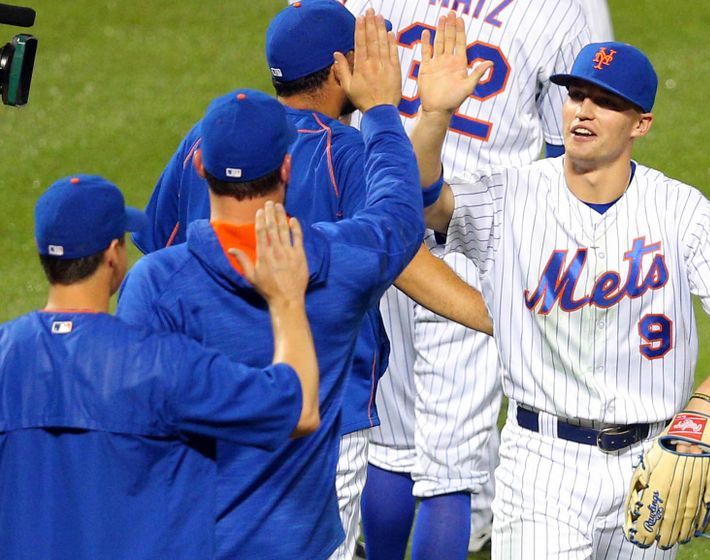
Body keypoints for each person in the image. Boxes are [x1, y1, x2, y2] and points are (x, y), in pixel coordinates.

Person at [410, 19, 710, 558]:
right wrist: (436, 115)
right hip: (541, 465)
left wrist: (707, 404)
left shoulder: (681, 210)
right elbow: (420, 200)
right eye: (576, 95)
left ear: (641, 123)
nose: (583, 110)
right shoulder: (510, 194)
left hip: (651, 460)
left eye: (604, 102)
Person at [133, 3, 490, 556]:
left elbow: (162, 241)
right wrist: (504, 320)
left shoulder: (208, 140)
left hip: (213, 410)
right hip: (325, 415)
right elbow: (400, 254)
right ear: (343, 68)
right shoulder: (344, 151)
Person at [343, 1, 598, 557]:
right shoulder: (555, 11)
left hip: (378, 229)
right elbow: (566, 151)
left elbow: (329, 73)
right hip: (473, 242)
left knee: (387, 445)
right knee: (450, 470)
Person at [0, 175, 320, 559]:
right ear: (114, 254)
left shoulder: (5, 355)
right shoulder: (163, 363)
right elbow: (298, 409)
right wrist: (286, 300)